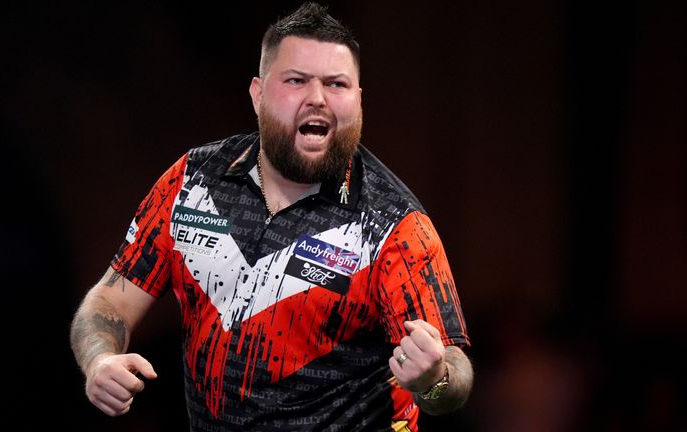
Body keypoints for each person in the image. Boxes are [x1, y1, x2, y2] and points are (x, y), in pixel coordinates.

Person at [70, 3, 473, 431]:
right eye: (296, 80)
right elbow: (109, 301)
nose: (317, 98)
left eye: (336, 84)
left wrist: (433, 379)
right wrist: (99, 360)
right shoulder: (191, 181)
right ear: (258, 94)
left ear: (358, 100)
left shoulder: (394, 225)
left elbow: (455, 372)